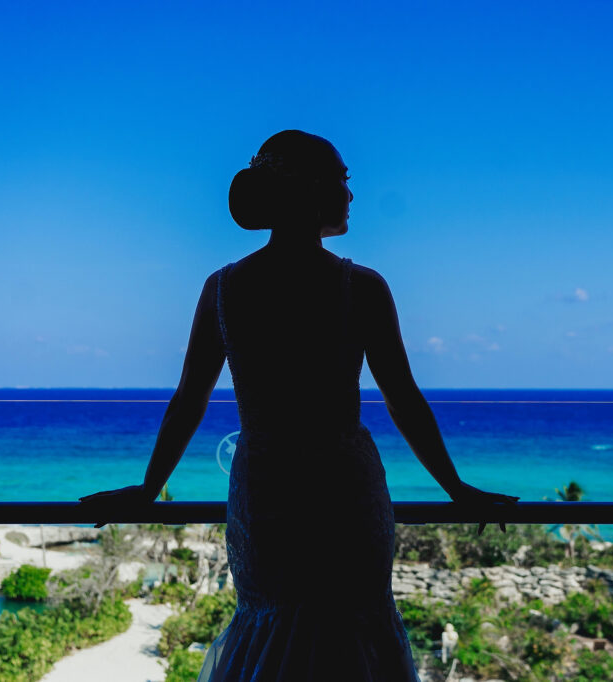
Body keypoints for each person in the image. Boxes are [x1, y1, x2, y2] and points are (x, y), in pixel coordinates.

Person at [80, 130, 518, 680]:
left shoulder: (224, 287)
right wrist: (456, 490)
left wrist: (148, 488)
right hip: (344, 491)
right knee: (350, 633)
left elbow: (190, 398)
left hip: (267, 491)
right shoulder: (361, 286)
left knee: (275, 631)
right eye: (342, 180)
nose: (351, 195)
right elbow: (402, 398)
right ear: (311, 190)